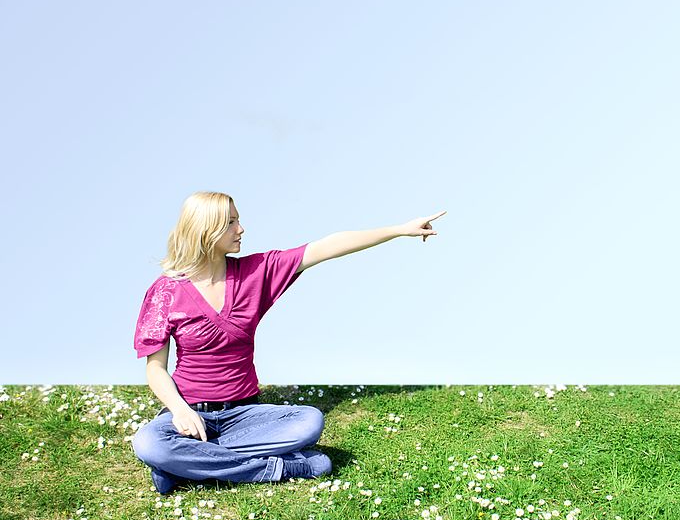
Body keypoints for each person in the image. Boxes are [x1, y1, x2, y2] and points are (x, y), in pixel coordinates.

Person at [132, 191, 445, 494]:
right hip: (187, 414)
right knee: (148, 442)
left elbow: (327, 246)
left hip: (244, 416)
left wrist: (398, 230)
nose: (240, 228)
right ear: (206, 230)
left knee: (309, 422)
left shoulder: (257, 272)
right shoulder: (165, 292)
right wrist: (179, 410)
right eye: (230, 222)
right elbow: (155, 369)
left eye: (238, 220)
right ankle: (279, 467)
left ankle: (183, 466)